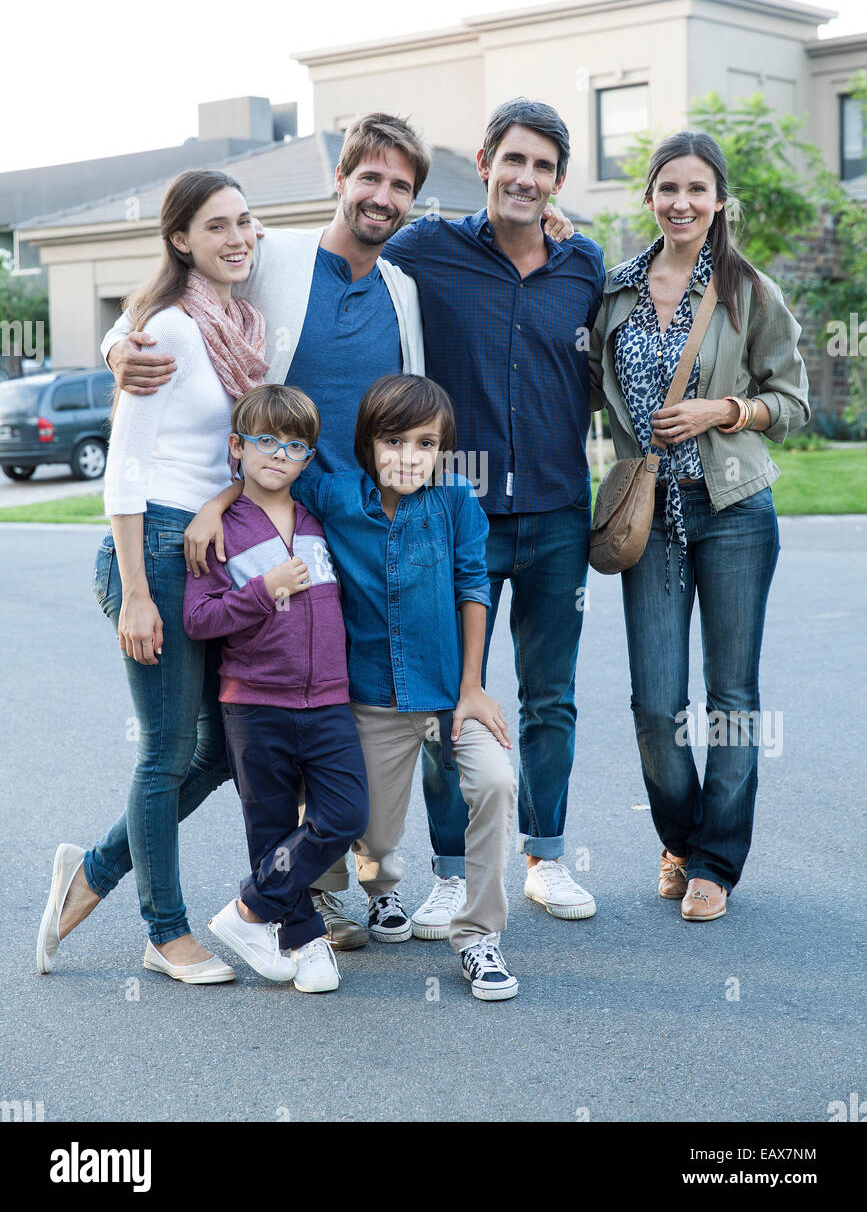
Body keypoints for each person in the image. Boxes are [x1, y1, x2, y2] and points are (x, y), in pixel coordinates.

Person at [101, 111, 575, 947]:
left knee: (357, 699)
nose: (382, 196)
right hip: (272, 529)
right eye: (370, 178)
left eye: (399, 185)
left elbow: (490, 241)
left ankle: (368, 873)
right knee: (274, 711)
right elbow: (176, 294)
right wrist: (116, 343)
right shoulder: (273, 255)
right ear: (340, 179)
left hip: (363, 529)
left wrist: (547, 217)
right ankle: (293, 894)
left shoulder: (403, 280)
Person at [37, 169, 268, 982]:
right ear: (180, 240)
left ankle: (95, 872)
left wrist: (228, 497)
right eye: (216, 227)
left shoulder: (239, 324)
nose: (237, 237)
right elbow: (124, 470)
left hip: (207, 546)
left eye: (244, 221)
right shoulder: (165, 331)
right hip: (153, 551)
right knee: (168, 751)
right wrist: (136, 591)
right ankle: (164, 930)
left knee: (224, 750)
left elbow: (236, 450)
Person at [380, 98, 606, 923]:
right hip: (452, 512)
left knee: (550, 695)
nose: (525, 177)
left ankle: (545, 858)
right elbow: (342, 256)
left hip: (555, 513)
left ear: (557, 182)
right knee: (446, 694)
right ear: (482, 164)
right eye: (513, 160)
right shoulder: (425, 247)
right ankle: (448, 872)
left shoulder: (584, 264)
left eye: (542, 167)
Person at [588, 131, 810, 920]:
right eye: (666, 188)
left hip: (733, 511)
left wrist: (726, 409)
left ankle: (714, 862)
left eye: (696, 189)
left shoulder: (749, 291)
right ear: (648, 197)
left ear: (718, 201)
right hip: (647, 519)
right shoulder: (613, 290)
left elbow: (792, 402)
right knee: (655, 703)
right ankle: (679, 838)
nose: (680, 202)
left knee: (731, 696)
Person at [291, 373, 519, 1000]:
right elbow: (268, 479)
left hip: (449, 696)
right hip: (372, 699)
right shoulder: (335, 497)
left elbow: (474, 588)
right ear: (367, 443)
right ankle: (378, 889)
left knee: (497, 782)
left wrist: (472, 687)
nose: (408, 459)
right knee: (372, 829)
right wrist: (213, 507)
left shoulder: (454, 503)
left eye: (425, 444)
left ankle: (478, 938)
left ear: (442, 449)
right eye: (392, 442)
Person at [183, 384, 369, 993]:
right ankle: (306, 944)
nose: (279, 455)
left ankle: (247, 912)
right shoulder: (220, 529)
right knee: (269, 832)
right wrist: (263, 589)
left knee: (343, 815)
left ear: (309, 458)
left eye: (294, 446)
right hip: (254, 703)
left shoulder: (318, 517)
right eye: (265, 441)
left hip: (328, 701)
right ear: (237, 447)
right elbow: (199, 618)